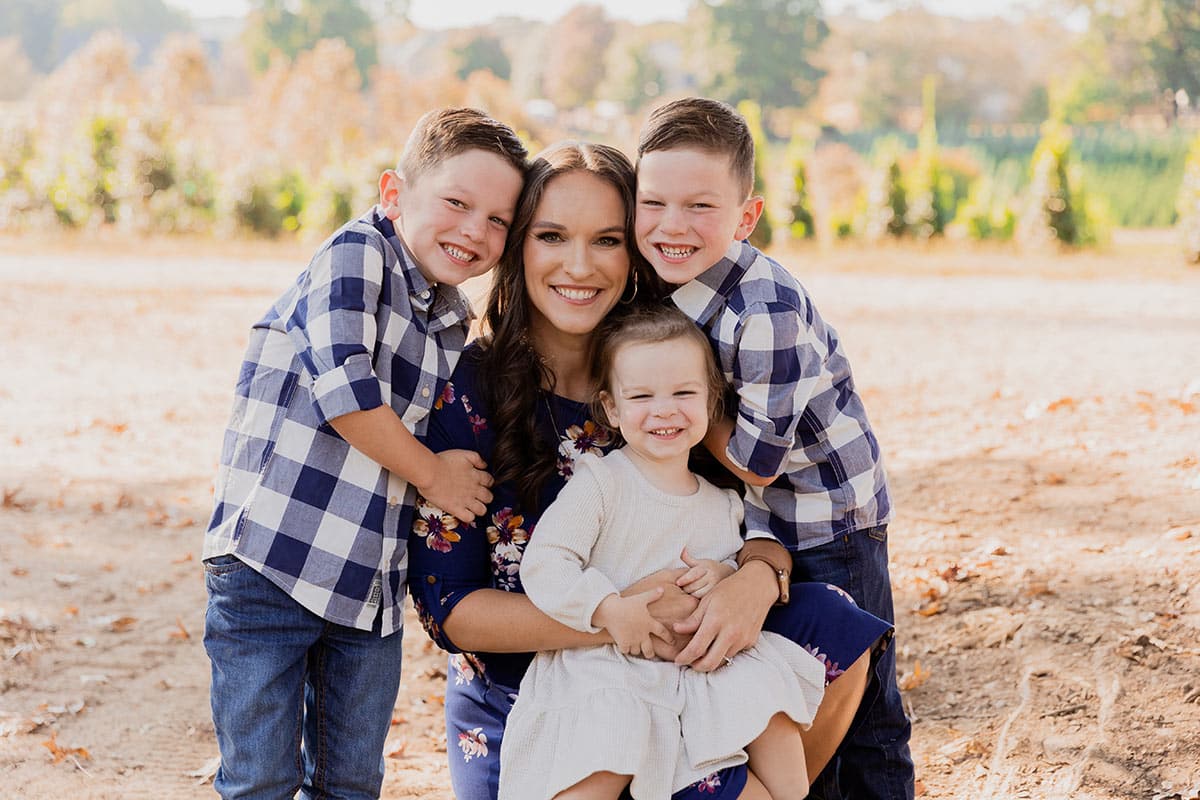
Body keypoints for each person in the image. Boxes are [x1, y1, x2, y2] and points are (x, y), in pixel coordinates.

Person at [408, 140, 891, 800]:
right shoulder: (466, 393)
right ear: (520, 245)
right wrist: (621, 616)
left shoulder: (667, 362)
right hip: (533, 687)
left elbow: (738, 502)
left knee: (835, 623)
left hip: (683, 669)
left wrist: (756, 575)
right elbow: (452, 610)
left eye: (607, 239)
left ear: (632, 250)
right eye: (552, 236)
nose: (580, 264)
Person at [201, 107, 526, 799]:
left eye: (499, 220)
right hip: (273, 563)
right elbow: (345, 397)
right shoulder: (358, 255)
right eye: (457, 203)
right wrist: (435, 475)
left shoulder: (449, 313)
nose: (475, 229)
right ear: (393, 193)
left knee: (351, 781)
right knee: (262, 776)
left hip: (366, 585)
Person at [634, 96, 915, 800]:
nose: (673, 225)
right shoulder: (673, 285)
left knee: (861, 698)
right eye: (654, 202)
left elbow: (758, 461)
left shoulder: (762, 312)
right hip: (766, 518)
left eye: (701, 207)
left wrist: (681, 415)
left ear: (745, 216)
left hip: (827, 519)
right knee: (789, 682)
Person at [500, 304, 831, 800]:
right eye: (641, 396)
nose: (664, 409)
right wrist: (608, 610)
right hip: (610, 661)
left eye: (683, 393)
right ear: (611, 409)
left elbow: (730, 558)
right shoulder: (601, 483)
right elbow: (546, 562)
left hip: (697, 666)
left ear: (709, 398)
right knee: (604, 742)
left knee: (767, 694)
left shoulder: (720, 500)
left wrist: (722, 574)